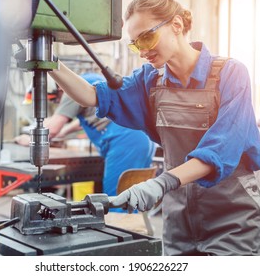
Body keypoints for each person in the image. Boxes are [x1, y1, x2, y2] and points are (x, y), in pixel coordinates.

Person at [48, 0, 260, 255]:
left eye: (146, 38)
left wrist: (160, 184)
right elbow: (92, 95)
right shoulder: (150, 80)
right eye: (135, 44)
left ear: (175, 25)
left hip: (231, 216)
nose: (142, 51)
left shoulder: (230, 74)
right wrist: (47, 58)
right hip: (179, 219)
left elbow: (219, 150)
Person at [15, 72, 157, 212]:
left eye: (54, 99)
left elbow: (52, 129)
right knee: (133, 195)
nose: (57, 103)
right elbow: (86, 118)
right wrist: (65, 131)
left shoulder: (71, 88)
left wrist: (28, 139)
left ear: (57, 89)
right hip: (141, 139)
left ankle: (120, 230)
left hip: (124, 143)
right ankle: (132, 229)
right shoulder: (88, 80)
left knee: (117, 199)